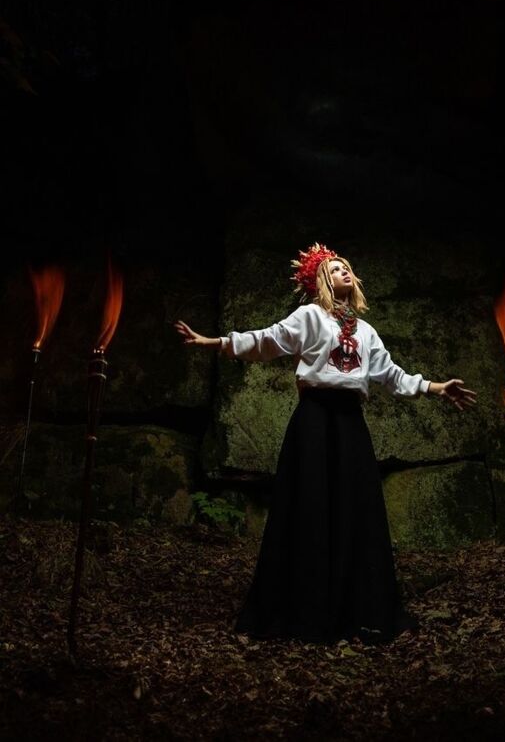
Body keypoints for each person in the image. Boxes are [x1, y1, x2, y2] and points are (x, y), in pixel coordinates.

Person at [175, 243, 476, 645]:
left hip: (350, 425)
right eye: (335, 269)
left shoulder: (366, 331)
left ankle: (358, 609)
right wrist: (213, 342)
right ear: (321, 281)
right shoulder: (309, 317)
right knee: (310, 505)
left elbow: (392, 375)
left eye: (346, 267)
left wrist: (436, 387)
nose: (344, 271)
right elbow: (266, 341)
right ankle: (305, 608)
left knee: (356, 507)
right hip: (314, 422)